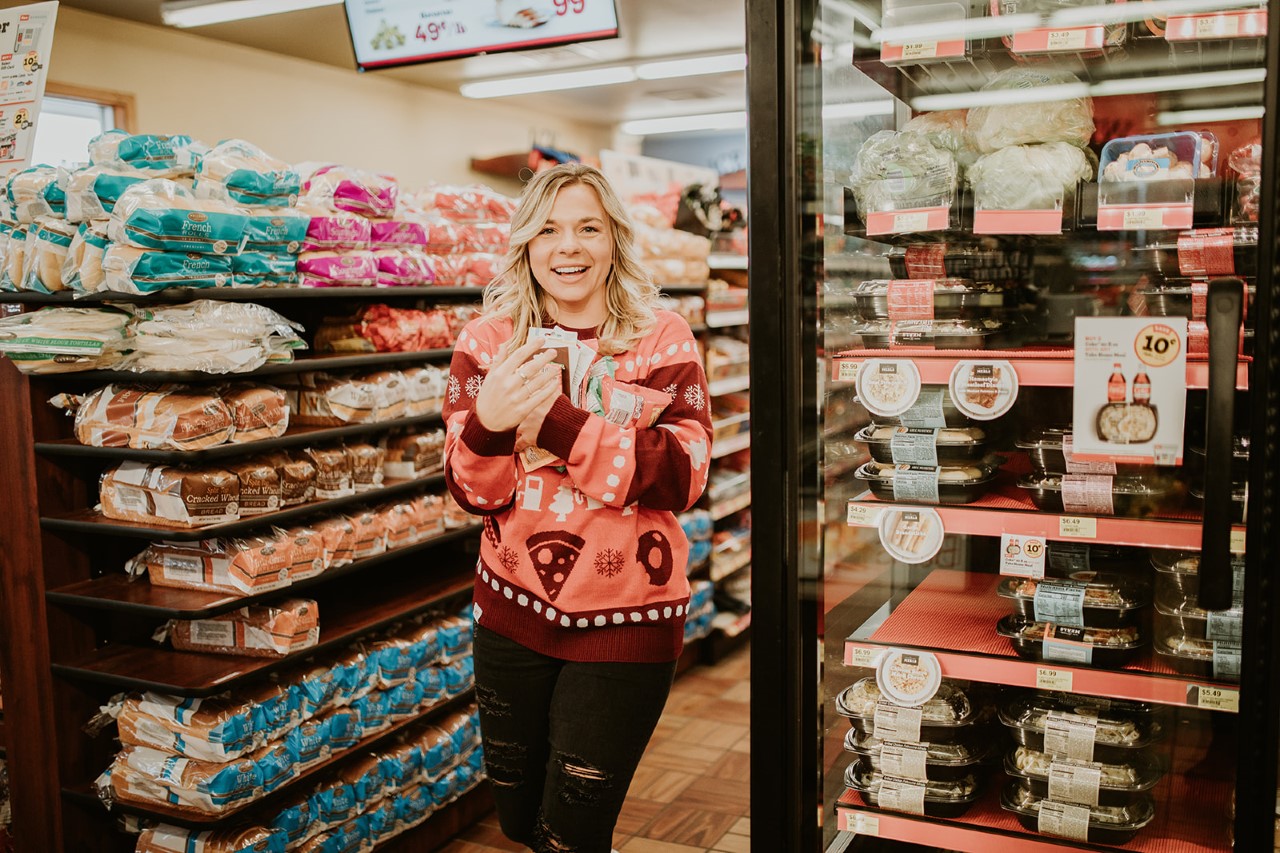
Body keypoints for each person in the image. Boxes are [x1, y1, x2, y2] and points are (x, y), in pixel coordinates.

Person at [442, 162, 713, 852]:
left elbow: (683, 473)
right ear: (526, 244)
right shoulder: (488, 343)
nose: (569, 247)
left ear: (614, 240)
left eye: (589, 227)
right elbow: (474, 491)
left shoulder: (660, 336)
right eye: (550, 229)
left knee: (571, 832)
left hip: (627, 619)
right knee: (517, 818)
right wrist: (490, 422)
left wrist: (558, 424)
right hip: (509, 613)